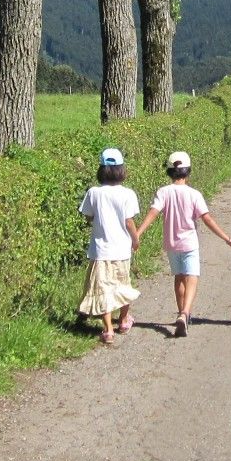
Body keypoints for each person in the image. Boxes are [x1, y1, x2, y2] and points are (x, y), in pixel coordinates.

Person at [135, 151, 231, 337]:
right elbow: (207, 219)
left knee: (179, 277)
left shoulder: (163, 192)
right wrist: (226, 238)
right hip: (189, 243)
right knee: (192, 276)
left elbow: (153, 213)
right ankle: (185, 313)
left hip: (171, 244)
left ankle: (181, 311)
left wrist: (138, 234)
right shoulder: (194, 194)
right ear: (188, 172)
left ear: (169, 171)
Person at [78, 147, 142, 344]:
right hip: (121, 249)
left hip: (100, 249)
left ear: (101, 169)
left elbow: (88, 216)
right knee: (123, 285)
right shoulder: (127, 193)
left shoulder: (94, 192)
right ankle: (123, 320)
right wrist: (135, 238)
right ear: (122, 170)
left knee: (103, 288)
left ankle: (107, 329)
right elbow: (129, 221)